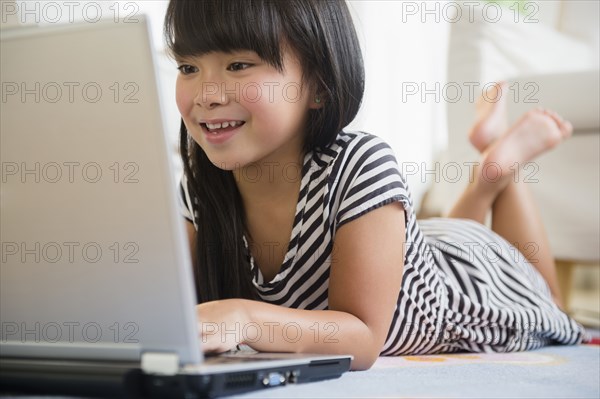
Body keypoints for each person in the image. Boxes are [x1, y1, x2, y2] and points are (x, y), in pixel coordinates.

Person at [166, 0, 589, 370]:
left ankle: (498, 169)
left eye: (238, 65)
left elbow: (364, 338)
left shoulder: (361, 165)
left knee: (551, 306)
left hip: (464, 285)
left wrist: (245, 318)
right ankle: (487, 170)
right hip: (409, 251)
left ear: (318, 87)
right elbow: (172, 307)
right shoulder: (200, 186)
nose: (207, 94)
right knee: (425, 252)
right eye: (188, 67)